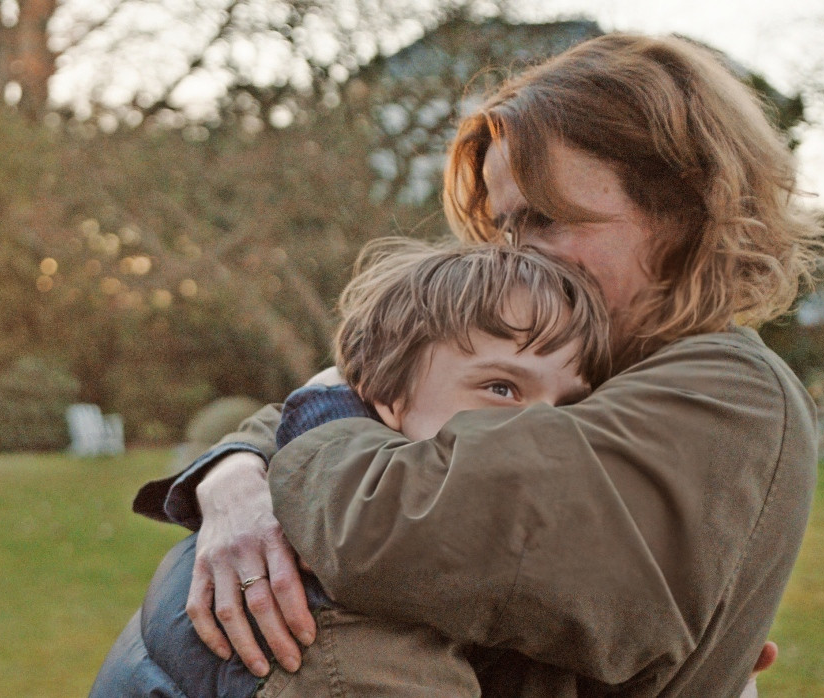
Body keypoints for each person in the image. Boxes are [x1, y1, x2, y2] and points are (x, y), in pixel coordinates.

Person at [133, 32, 823, 696]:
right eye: (505, 225)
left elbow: (403, 521)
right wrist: (234, 478)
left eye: (545, 219)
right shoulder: (585, 361)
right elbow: (387, 392)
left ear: (683, 207)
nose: (515, 256)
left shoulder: (731, 390)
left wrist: (311, 418)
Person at [91, 239, 613, 696]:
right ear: (385, 395)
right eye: (501, 388)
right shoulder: (335, 629)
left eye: (570, 406)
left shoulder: (386, 538)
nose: (552, 432)